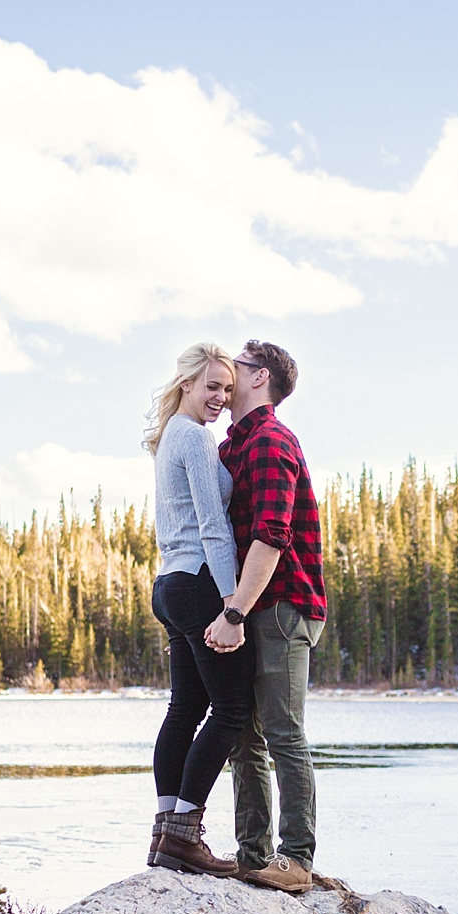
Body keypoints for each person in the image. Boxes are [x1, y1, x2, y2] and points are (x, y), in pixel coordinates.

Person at [206, 339, 326, 894]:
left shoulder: (272, 441)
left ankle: (296, 858)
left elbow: (272, 537)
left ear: (259, 379)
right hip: (251, 607)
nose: (228, 372)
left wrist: (234, 611)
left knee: (282, 731)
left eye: (238, 365)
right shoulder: (235, 444)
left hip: (279, 606)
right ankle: (252, 855)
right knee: (243, 733)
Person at [142, 341, 253, 876]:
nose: (220, 397)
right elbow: (213, 525)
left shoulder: (170, 437)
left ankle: (165, 833)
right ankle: (185, 837)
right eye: (212, 386)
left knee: (185, 708)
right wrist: (232, 603)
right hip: (199, 584)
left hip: (169, 583)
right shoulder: (195, 437)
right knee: (231, 710)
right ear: (186, 382)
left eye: (228, 389)